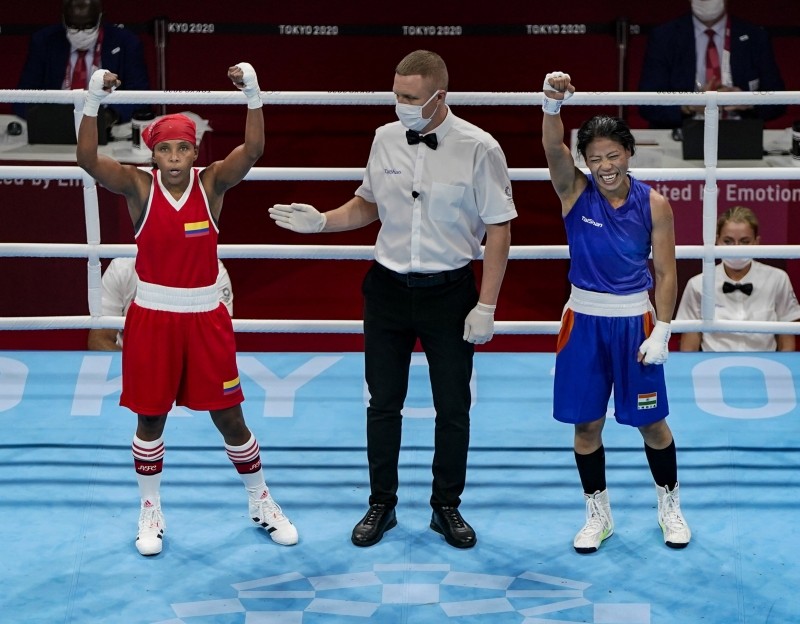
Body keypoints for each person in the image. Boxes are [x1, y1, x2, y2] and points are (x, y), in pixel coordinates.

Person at [269, 49, 516, 549]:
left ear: (439, 96)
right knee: (383, 403)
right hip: (386, 288)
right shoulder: (384, 138)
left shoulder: (479, 147)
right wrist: (323, 221)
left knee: (453, 407)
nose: (399, 105)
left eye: (410, 98)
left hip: (449, 291)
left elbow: (499, 227)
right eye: (396, 94)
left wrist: (486, 304)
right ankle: (381, 503)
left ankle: (447, 506)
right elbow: (367, 205)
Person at [76, 63, 298, 556]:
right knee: (150, 419)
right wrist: (92, 99)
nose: (174, 158)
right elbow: (89, 160)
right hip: (153, 315)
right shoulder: (140, 188)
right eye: (164, 149)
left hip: (205, 317)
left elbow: (255, 151)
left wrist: (254, 93)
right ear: (152, 154)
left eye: (182, 147)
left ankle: (260, 499)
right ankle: (150, 510)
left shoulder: (212, 185)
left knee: (230, 417)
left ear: (195, 151)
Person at [541, 71, 691, 552]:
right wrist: (550, 104)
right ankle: (597, 513)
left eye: (613, 155)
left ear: (629, 153)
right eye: (595, 158)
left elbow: (666, 273)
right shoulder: (574, 191)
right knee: (587, 425)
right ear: (584, 160)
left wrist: (663, 329)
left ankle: (670, 505)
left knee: (652, 423)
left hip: (636, 322)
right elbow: (551, 150)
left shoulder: (656, 204)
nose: (605, 166)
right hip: (583, 321)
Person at [638, 0, 785, 129]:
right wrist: (689, 106)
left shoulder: (755, 37)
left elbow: (779, 102)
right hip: (681, 134)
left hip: (742, 132)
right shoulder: (664, 37)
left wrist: (748, 102)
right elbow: (647, 104)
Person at [676, 206, 800, 351]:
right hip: (712, 368)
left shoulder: (778, 279)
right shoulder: (698, 284)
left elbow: (787, 337)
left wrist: (785, 373)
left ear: (756, 242)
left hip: (766, 367)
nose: (736, 248)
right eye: (728, 241)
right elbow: (689, 344)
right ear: (716, 241)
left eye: (744, 241)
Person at [14, 0, 150, 123]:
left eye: (88, 26)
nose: (81, 33)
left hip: (106, 126)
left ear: (101, 18)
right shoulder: (44, 42)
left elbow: (140, 96)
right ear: (63, 19)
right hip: (53, 125)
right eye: (73, 26)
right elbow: (22, 96)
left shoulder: (127, 43)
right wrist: (43, 117)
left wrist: (110, 116)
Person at [87, 257, 233, 351]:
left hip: (191, 367)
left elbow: (218, 344)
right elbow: (98, 339)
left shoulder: (214, 271)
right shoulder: (121, 269)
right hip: (129, 366)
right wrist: (137, 366)